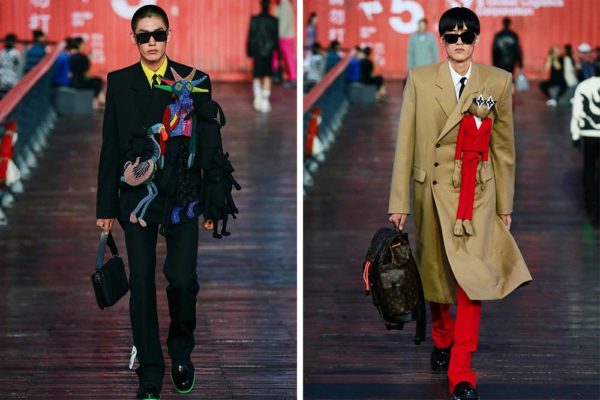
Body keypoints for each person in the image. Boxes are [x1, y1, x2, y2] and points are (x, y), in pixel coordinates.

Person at [388, 7, 532, 400]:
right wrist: (399, 199)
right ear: (441, 40)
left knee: (473, 279)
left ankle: (462, 370)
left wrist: (505, 204)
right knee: (435, 272)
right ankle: (442, 334)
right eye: (451, 36)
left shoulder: (497, 82)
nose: (459, 44)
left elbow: (504, 149)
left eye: (466, 36)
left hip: (476, 193)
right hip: (431, 191)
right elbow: (406, 143)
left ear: (477, 39)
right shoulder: (420, 80)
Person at [95, 5, 211, 399]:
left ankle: (181, 351)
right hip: (136, 198)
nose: (150, 42)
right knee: (141, 282)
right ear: (133, 38)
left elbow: (211, 147)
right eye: (143, 35)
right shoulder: (119, 81)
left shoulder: (195, 82)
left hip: (182, 195)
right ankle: (150, 369)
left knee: (182, 280)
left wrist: (214, 203)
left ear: (168, 35)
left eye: (157, 34)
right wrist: (105, 208)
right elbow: (110, 147)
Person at [570, 60, 600, 227]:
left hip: (588, 134)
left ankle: (591, 205)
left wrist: (575, 135)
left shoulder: (584, 86)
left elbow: (578, 112)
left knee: (589, 169)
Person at [247, 0, 279, 112]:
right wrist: (277, 54)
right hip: (269, 53)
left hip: (257, 51)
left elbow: (251, 37)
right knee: (267, 75)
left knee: (257, 74)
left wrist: (250, 52)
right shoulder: (274, 21)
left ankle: (258, 97)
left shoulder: (255, 20)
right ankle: (265, 101)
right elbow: (275, 40)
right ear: (269, 6)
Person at [69, 36, 105, 109]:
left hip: (72, 82)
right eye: (83, 44)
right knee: (98, 81)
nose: (84, 46)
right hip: (81, 83)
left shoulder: (71, 57)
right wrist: (88, 60)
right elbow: (86, 74)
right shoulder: (83, 58)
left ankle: (101, 100)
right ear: (80, 45)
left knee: (96, 82)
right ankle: (96, 102)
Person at [274, 0, 296, 87]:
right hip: (284, 36)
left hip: (285, 36)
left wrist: (278, 36)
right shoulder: (283, 4)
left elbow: (283, 23)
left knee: (288, 58)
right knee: (285, 57)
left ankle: (293, 78)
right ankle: (290, 77)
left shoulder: (284, 5)